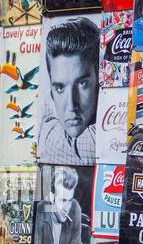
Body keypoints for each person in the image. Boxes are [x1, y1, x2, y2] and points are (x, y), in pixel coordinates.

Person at [37, 17, 99, 163]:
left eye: (82, 83)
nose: (71, 105)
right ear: (51, 91)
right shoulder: (50, 135)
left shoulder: (48, 134)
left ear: (99, 81)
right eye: (59, 88)